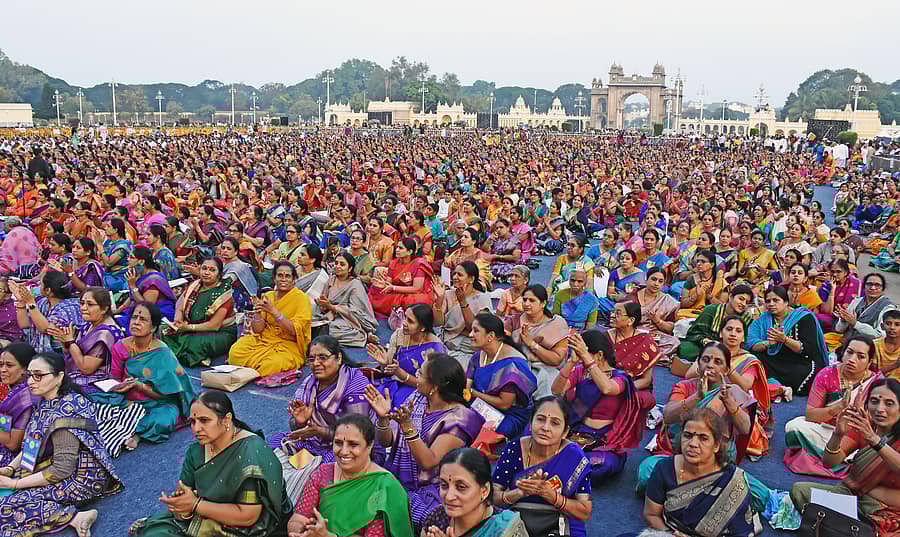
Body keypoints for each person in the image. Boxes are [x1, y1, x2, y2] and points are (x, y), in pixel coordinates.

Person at [130, 391, 293, 537]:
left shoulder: (250, 453)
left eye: (204, 420)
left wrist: (195, 504)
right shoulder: (196, 451)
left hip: (252, 527)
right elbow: (185, 493)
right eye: (193, 422)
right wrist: (181, 508)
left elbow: (248, 516)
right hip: (207, 513)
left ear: (227, 420)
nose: (196, 429)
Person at [0, 351, 122, 537]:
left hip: (82, 480)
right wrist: (10, 468)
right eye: (29, 375)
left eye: (38, 376)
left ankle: (73, 517)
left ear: (59, 377)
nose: (31, 381)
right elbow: (32, 442)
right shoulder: (47, 400)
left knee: (5, 506)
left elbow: (62, 470)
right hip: (57, 467)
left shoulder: (64, 414)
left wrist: (16, 483)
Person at [364, 353, 484, 531]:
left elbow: (428, 462)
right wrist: (383, 419)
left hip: (433, 487)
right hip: (396, 476)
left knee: (402, 512)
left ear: (434, 387)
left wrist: (406, 425)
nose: (415, 377)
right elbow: (387, 441)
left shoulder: (460, 419)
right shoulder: (418, 400)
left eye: (420, 374)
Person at [269, 336, 376, 503]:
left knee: (326, 469)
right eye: (312, 359)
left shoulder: (355, 385)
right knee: (274, 443)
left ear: (339, 358)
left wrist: (320, 431)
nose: (316, 363)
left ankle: (296, 499)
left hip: (345, 445)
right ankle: (284, 487)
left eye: (323, 357)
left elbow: (358, 435)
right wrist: (301, 421)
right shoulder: (311, 382)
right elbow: (296, 428)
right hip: (314, 442)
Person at [790, 377, 900, 536]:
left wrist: (874, 440)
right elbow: (829, 462)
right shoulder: (865, 427)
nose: (880, 409)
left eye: (889, 404)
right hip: (851, 497)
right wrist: (837, 434)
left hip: (885, 508)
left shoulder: (874, 433)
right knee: (800, 491)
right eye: (874, 401)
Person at [287, 414, 414, 537]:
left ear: (369, 446)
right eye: (338, 443)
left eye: (353, 444)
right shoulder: (323, 474)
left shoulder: (384, 488)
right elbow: (298, 518)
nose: (344, 451)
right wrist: (304, 530)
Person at [642, 409, 762, 537]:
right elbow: (651, 514)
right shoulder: (664, 469)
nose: (693, 444)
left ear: (716, 445)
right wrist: (669, 535)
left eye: (703, 438)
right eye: (687, 435)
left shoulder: (733, 483)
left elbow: (740, 533)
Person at [492, 396, 593, 537]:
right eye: (540, 419)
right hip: (516, 517)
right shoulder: (514, 449)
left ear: (565, 431)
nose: (545, 428)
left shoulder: (575, 457)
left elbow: (584, 512)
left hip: (561, 521)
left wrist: (552, 496)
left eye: (555, 423)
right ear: (531, 422)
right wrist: (519, 493)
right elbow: (492, 496)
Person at [783, 334, 882, 478]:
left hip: (860, 438)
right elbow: (811, 415)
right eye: (849, 352)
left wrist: (862, 415)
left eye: (860, 356)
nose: (852, 359)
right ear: (843, 352)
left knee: (875, 450)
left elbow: (881, 425)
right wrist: (838, 407)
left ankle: (826, 458)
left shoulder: (877, 383)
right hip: (829, 431)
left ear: (869, 362)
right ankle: (843, 460)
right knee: (793, 426)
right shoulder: (827, 374)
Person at [552, 330, 644, 483]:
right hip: (576, 430)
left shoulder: (620, 377)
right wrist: (571, 362)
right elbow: (556, 390)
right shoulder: (581, 371)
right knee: (537, 430)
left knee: (603, 465)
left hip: (605, 439)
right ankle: (569, 465)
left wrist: (587, 358)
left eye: (583, 353)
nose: (581, 359)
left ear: (599, 355)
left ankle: (563, 464)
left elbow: (607, 388)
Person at [106, 302, 196, 448]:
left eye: (143, 320)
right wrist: (120, 387)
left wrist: (139, 385)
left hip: (158, 402)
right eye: (134, 317)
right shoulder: (120, 347)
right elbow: (115, 378)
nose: (136, 322)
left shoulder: (162, 353)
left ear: (153, 327)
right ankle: (127, 424)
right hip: (128, 398)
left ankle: (137, 433)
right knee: (97, 404)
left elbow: (166, 394)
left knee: (165, 418)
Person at [686, 315, 776, 457]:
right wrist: (709, 365)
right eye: (729, 329)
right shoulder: (711, 352)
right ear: (721, 333)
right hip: (704, 392)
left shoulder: (749, 360)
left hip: (734, 401)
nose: (733, 334)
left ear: (744, 337)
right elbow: (689, 375)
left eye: (738, 331)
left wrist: (728, 368)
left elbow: (745, 387)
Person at [466, 313, 537, 452]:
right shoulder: (478, 356)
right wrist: (467, 394)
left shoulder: (512, 364)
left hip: (509, 415)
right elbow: (467, 384)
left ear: (490, 336)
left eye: (475, 330)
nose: (470, 334)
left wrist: (474, 394)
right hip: (481, 405)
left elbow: (504, 404)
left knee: (471, 423)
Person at [228, 261, 312, 377]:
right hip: (264, 338)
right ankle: (254, 370)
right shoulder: (268, 296)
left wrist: (274, 312)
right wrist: (257, 313)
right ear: (274, 279)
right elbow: (258, 330)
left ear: (294, 280)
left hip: (288, 343)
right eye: (280, 275)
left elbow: (294, 331)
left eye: (287, 276)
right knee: (235, 352)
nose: (283, 279)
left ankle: (252, 370)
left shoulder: (302, 299)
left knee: (272, 364)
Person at [421, 448, 528, 537]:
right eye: (444, 485)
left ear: (484, 490)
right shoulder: (437, 518)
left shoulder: (505, 529)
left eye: (461, 487)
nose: (449, 497)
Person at [746, 286, 827, 396]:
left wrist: (784, 340)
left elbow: (808, 349)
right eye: (768, 301)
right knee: (753, 357)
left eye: (776, 300)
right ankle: (777, 386)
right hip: (774, 361)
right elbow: (751, 344)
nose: (771, 304)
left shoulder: (804, 317)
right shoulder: (763, 319)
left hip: (799, 362)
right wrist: (768, 344)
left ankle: (775, 386)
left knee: (809, 374)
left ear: (786, 302)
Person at [162, 257, 237, 368]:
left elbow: (214, 326)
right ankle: (196, 356)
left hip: (219, 332)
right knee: (162, 329)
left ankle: (192, 355)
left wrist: (188, 328)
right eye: (204, 268)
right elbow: (180, 308)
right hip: (190, 327)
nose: (207, 272)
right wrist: (177, 321)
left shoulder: (224, 294)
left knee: (194, 343)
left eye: (212, 270)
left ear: (219, 274)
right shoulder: (194, 286)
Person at [367, 304, 446, 409]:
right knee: (367, 397)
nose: (404, 323)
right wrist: (385, 363)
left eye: (410, 321)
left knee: (398, 407)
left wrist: (400, 373)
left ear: (422, 328)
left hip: (417, 390)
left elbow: (430, 386)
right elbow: (388, 370)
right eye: (405, 317)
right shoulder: (399, 334)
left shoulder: (435, 348)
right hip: (393, 382)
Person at [507, 284, 568, 398]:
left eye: (532, 300)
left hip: (547, 369)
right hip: (517, 367)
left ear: (543, 304)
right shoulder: (513, 321)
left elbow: (556, 360)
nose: (526, 304)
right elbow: (502, 347)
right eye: (524, 300)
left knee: (550, 391)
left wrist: (531, 344)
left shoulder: (556, 323)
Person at [434, 261, 494, 368]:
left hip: (470, 344)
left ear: (471, 279)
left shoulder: (482, 298)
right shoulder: (448, 294)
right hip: (447, 340)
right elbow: (437, 323)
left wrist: (463, 302)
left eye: (460, 274)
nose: (455, 277)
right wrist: (439, 300)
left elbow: (474, 328)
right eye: (454, 274)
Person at [677, 284, 755, 364]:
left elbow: (743, 341)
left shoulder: (746, 318)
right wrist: (707, 342)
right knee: (685, 350)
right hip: (705, 346)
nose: (743, 304)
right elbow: (695, 333)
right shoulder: (711, 310)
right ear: (731, 297)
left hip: (731, 351)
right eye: (741, 299)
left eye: (747, 302)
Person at [312, 252, 377, 347]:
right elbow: (324, 301)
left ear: (350, 268)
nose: (337, 266)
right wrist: (322, 303)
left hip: (348, 319)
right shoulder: (331, 280)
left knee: (332, 329)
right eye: (336, 263)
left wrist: (332, 307)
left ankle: (364, 336)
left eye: (342, 264)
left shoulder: (355, 284)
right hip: (329, 315)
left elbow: (356, 310)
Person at [11, 271, 82, 354]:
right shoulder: (43, 303)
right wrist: (21, 302)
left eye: (41, 284)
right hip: (39, 353)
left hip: (61, 355)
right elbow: (25, 324)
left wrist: (30, 302)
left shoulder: (69, 308)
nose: (39, 287)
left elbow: (45, 329)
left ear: (48, 290)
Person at [115, 246, 177, 334]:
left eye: (131, 257)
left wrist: (132, 286)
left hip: (157, 313)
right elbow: (132, 297)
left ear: (141, 261)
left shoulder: (153, 280)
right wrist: (117, 310)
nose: (128, 259)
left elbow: (147, 306)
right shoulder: (139, 273)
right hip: (138, 309)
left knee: (119, 325)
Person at [833, 272, 897, 345]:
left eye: (877, 285)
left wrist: (855, 324)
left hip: (869, 347)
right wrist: (843, 320)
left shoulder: (888, 308)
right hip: (848, 341)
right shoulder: (856, 301)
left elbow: (882, 335)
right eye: (869, 284)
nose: (873, 288)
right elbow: (839, 330)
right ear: (864, 287)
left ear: (883, 289)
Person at [0, 342, 36, 466]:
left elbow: (12, 444)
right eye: (1, 365)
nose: (3, 370)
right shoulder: (14, 391)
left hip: (13, 460)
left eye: (9, 365)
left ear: (26, 369)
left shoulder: (25, 398)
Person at [631, 266, 680, 357]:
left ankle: (641, 354)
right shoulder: (634, 295)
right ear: (646, 279)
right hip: (632, 333)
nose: (656, 284)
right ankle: (648, 355)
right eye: (653, 279)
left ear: (663, 284)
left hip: (653, 335)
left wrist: (657, 320)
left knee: (674, 342)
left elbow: (670, 328)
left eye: (660, 281)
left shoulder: (668, 301)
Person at [676, 250, 725, 320]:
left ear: (712, 265)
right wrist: (695, 296)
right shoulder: (691, 279)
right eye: (698, 261)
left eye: (703, 262)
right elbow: (683, 304)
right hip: (692, 314)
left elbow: (723, 307)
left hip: (711, 315)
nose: (699, 264)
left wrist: (710, 296)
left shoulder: (720, 281)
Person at [551, 264, 599, 332]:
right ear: (569, 280)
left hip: (581, 332)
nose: (575, 284)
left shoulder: (592, 299)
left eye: (580, 281)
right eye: (573, 280)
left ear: (585, 283)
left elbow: (590, 325)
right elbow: (556, 319)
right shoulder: (560, 295)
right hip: (561, 330)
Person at [598, 249, 645, 317]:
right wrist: (615, 297)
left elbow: (642, 295)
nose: (624, 261)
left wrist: (625, 297)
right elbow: (610, 293)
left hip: (631, 302)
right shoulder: (614, 273)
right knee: (597, 301)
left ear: (633, 261)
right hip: (615, 301)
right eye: (622, 258)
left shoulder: (640, 274)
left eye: (627, 259)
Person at [736, 229, 778, 297]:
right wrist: (745, 268)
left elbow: (777, 272)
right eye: (755, 238)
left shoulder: (769, 253)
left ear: (763, 242)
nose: (756, 240)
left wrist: (765, 271)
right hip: (746, 280)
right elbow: (740, 271)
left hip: (762, 281)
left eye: (759, 239)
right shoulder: (743, 252)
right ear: (751, 239)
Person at [97, 218, 134, 291]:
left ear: (116, 230)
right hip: (108, 274)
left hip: (120, 278)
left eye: (108, 226)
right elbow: (102, 260)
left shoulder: (124, 244)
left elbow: (109, 263)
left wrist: (99, 246)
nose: (105, 228)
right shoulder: (108, 242)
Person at [485, 218, 521, 283]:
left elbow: (515, 258)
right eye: (497, 228)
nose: (499, 230)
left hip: (508, 264)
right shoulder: (495, 238)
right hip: (494, 263)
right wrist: (488, 241)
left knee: (512, 270)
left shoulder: (514, 240)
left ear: (507, 228)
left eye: (501, 227)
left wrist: (497, 257)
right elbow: (484, 250)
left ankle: (499, 277)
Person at [496, 265, 529, 332]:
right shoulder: (506, 293)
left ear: (525, 280)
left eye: (517, 276)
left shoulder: (530, 296)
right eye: (511, 275)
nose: (512, 279)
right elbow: (498, 315)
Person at [875, 309, 900, 380]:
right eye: (888, 324)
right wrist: (895, 365)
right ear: (882, 326)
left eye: (897, 324)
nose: (892, 328)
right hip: (880, 385)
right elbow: (873, 374)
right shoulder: (875, 345)